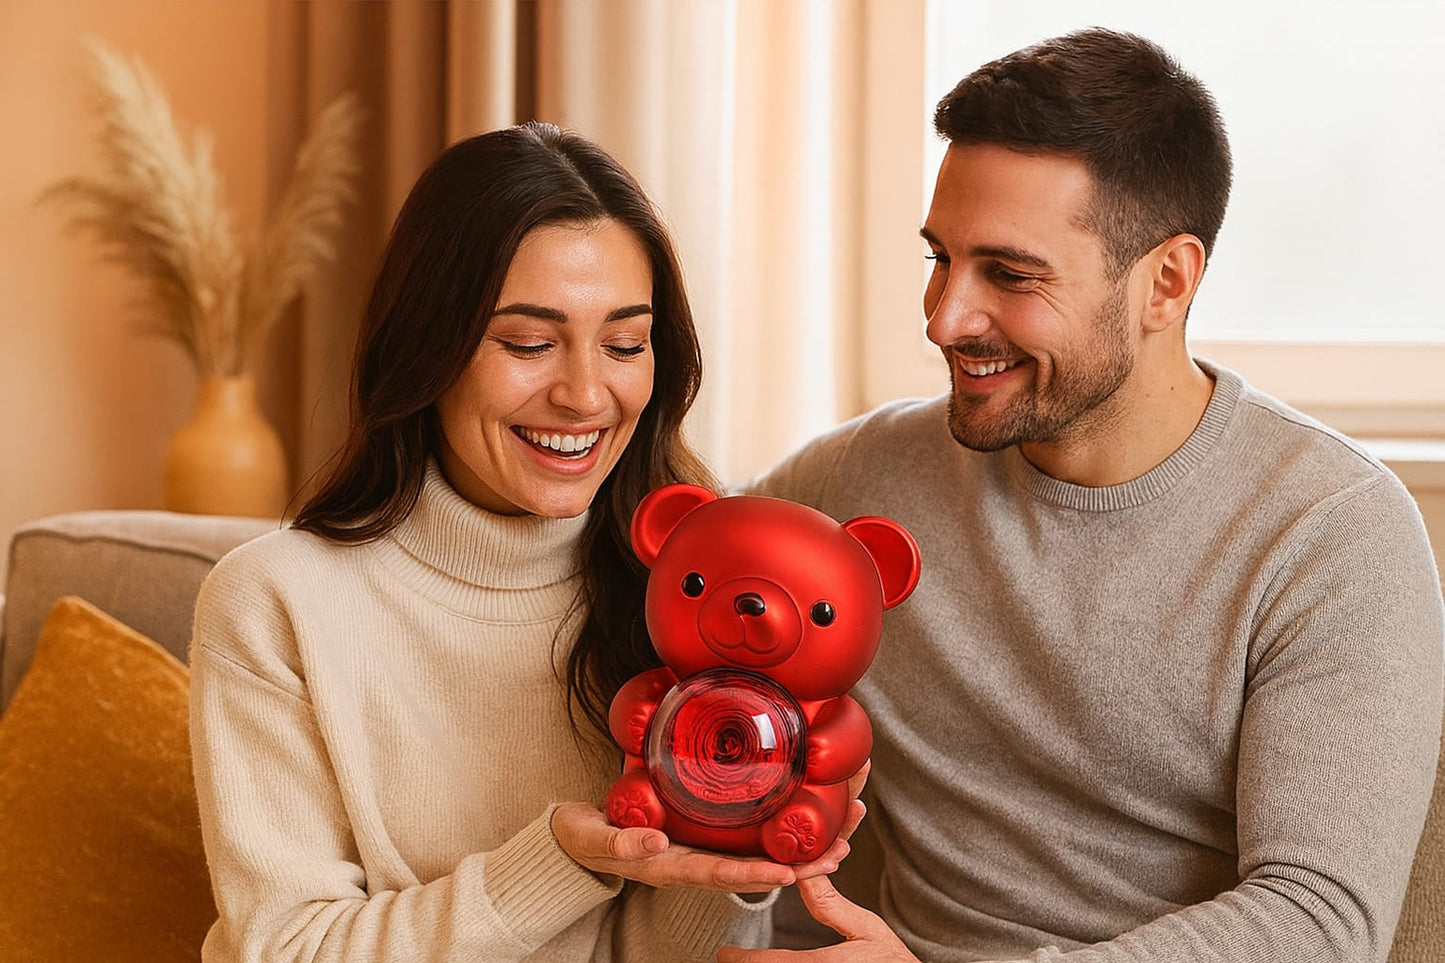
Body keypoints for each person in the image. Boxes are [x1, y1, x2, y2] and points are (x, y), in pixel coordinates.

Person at [723, 27, 1445, 963]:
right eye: (939, 257)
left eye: (1009, 275)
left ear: (1166, 282)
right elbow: (658, 557)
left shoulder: (1328, 534)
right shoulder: (862, 479)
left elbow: (1317, 919)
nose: (943, 318)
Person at [188, 121, 857, 961]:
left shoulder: (698, 592)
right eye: (528, 343)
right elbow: (286, 949)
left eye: (624, 344)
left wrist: (740, 847)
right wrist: (558, 860)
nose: (584, 394)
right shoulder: (277, 601)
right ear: (428, 346)